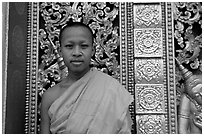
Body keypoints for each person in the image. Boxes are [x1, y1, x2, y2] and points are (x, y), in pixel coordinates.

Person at [40, 21, 133, 134]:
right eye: (69, 46)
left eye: (84, 46)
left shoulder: (111, 90)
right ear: (60, 51)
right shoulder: (50, 97)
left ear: (92, 50)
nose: (77, 53)